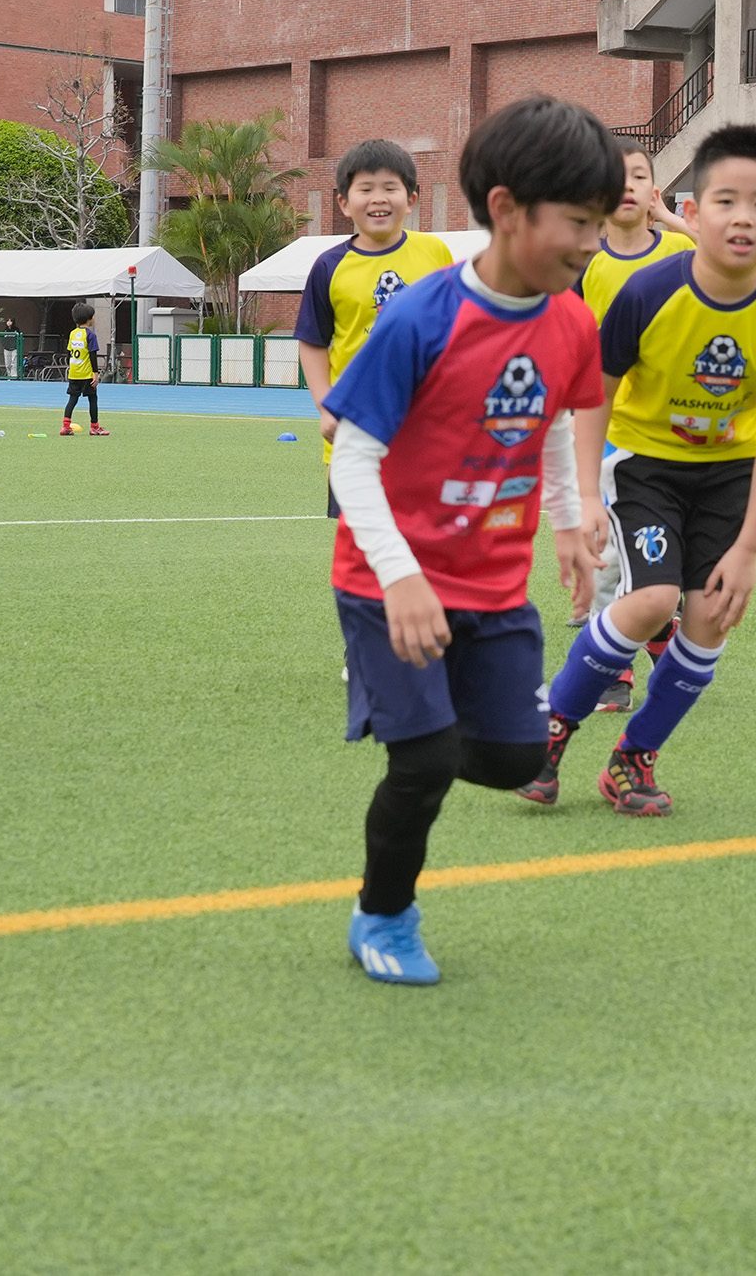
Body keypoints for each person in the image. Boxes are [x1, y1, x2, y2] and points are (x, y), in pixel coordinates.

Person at [324, 96, 620, 985]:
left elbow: (553, 426)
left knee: (515, 756)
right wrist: (401, 576)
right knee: (421, 760)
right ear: (505, 208)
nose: (591, 243)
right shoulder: (421, 317)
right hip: (388, 583)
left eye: (600, 223)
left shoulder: (570, 319)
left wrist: (567, 522)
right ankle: (383, 914)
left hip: (492, 585)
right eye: (577, 222)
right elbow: (353, 458)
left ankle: (419, 729)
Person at [521, 123, 756, 815]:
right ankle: (551, 726)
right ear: (691, 213)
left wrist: (749, 550)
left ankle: (633, 757)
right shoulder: (647, 292)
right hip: (644, 464)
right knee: (653, 600)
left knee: (710, 616)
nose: (742, 217)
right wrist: (586, 494)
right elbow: (596, 394)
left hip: (728, 474)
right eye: (726, 201)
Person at [569, 137, 698, 709]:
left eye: (639, 176)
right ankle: (612, 674)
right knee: (607, 554)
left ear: (655, 190)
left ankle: (662, 631)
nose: (627, 187)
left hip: (679, 430)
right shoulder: (585, 261)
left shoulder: (678, 246)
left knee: (664, 555)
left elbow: (733, 257)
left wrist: (671, 218)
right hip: (611, 428)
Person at [296, 139, 455, 517]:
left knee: (426, 536)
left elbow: (453, 330)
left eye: (390, 187)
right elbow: (313, 342)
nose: (378, 198)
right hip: (356, 429)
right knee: (361, 540)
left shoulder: (435, 253)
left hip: (427, 426)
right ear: (344, 203)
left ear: (411, 199)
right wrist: (326, 407)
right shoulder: (328, 266)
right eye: (365, 189)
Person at [60, 302, 108, 436]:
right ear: (89, 319)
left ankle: (65, 426)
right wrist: (95, 373)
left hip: (74, 373)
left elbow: (69, 353)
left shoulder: (72, 334)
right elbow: (92, 355)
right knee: (93, 398)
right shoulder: (90, 335)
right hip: (87, 374)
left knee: (72, 399)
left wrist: (71, 368)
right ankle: (94, 427)